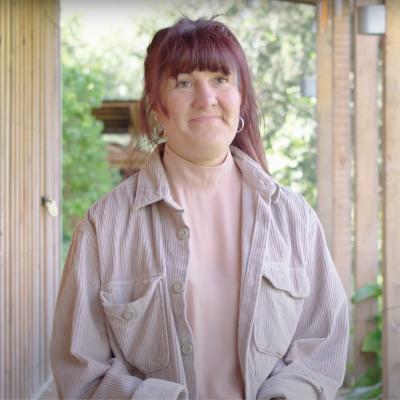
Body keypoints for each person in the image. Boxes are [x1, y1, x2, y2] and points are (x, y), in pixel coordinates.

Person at [51, 16, 349, 400]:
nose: (206, 97)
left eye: (221, 79)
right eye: (184, 82)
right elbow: (79, 370)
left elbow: (321, 344)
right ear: (157, 108)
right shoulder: (105, 225)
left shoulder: (293, 218)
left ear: (241, 98)